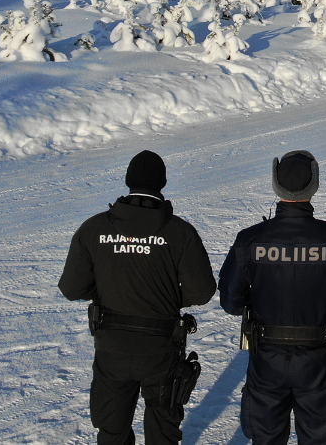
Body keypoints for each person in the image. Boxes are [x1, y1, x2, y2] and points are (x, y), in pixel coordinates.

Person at [59, 149, 216, 445]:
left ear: (128, 181)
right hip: (161, 350)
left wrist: (110, 289)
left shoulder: (94, 228)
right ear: (163, 183)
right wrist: (165, 294)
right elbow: (203, 291)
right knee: (162, 433)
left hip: (112, 350)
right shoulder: (179, 232)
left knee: (112, 431)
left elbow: (72, 288)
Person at [219, 149, 326, 445]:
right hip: (317, 360)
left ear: (276, 185)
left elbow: (230, 302)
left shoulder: (250, 239)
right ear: (314, 185)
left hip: (266, 360)